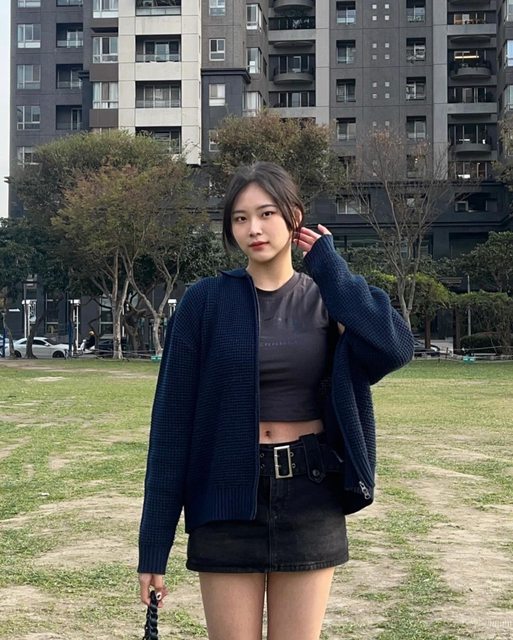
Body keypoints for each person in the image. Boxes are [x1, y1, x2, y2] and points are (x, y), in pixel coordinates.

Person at [137, 162, 414, 640]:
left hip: (310, 492)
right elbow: (171, 429)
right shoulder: (204, 302)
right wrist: (152, 549)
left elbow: (395, 347)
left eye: (266, 213)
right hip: (224, 496)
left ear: (294, 217)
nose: (254, 229)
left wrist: (331, 270)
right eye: (240, 218)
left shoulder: (328, 299)